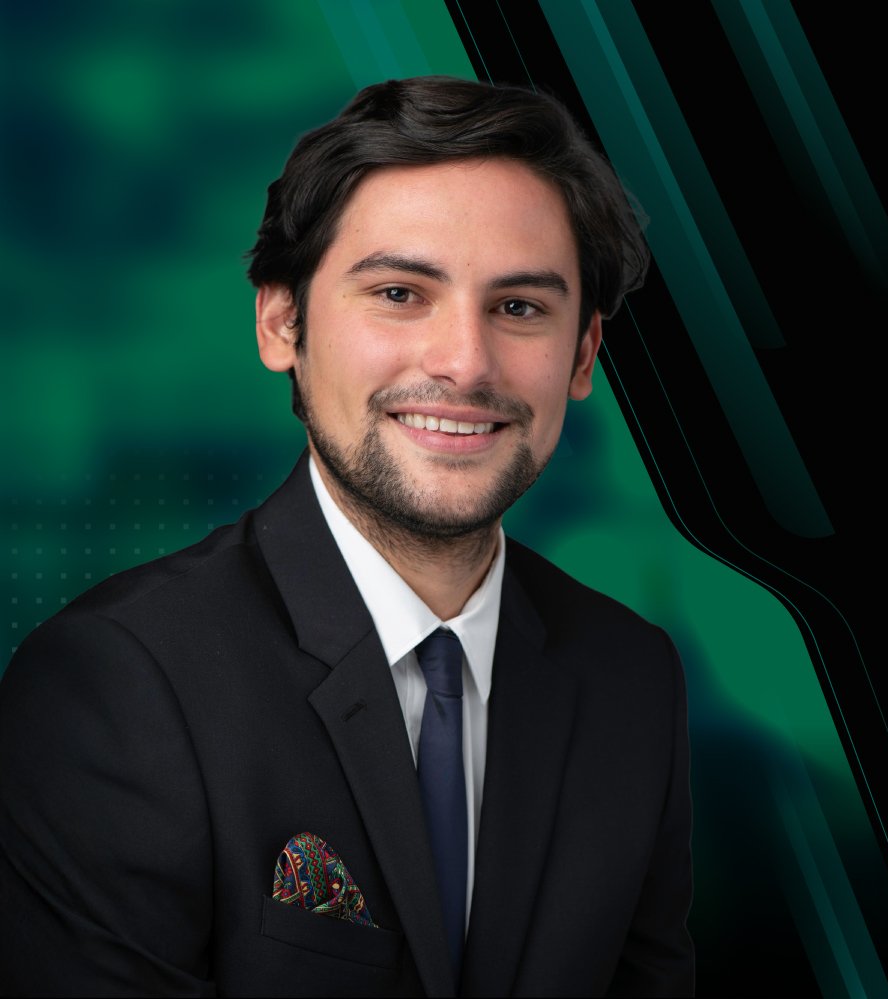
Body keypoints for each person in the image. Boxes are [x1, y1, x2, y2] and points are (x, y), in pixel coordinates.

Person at [0, 76, 694, 997]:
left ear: (583, 356)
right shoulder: (114, 682)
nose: (464, 361)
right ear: (281, 321)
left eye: (520, 307)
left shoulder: (632, 675)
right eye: (401, 292)